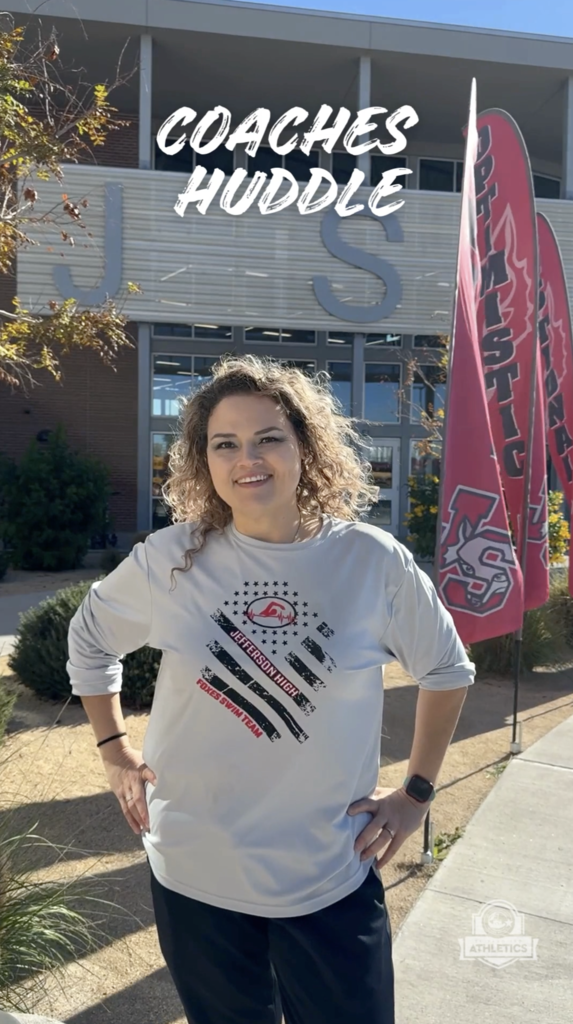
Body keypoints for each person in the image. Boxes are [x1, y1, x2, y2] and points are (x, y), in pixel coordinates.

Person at [67, 355, 474, 1024]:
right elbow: (88, 639)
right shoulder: (169, 559)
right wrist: (113, 748)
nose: (245, 459)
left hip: (328, 875)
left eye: (267, 438)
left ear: (304, 446)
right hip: (195, 873)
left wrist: (415, 794)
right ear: (203, 458)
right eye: (224, 443)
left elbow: (446, 671)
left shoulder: (371, 561)